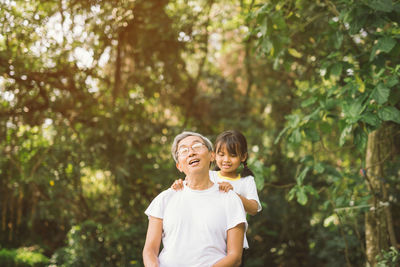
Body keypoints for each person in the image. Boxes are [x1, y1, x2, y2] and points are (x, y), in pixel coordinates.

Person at [142, 131, 247, 267]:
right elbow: (150, 251)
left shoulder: (230, 199)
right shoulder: (164, 199)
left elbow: (235, 256)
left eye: (197, 146)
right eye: (183, 150)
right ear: (179, 166)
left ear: (211, 156)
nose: (191, 152)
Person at [172, 130, 262, 251]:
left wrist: (232, 194)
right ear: (213, 155)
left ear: (243, 157)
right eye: (221, 154)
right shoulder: (209, 175)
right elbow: (189, 183)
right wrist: (179, 184)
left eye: (233, 155)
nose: (226, 160)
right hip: (207, 237)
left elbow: (254, 208)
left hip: (232, 242)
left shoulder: (246, 180)